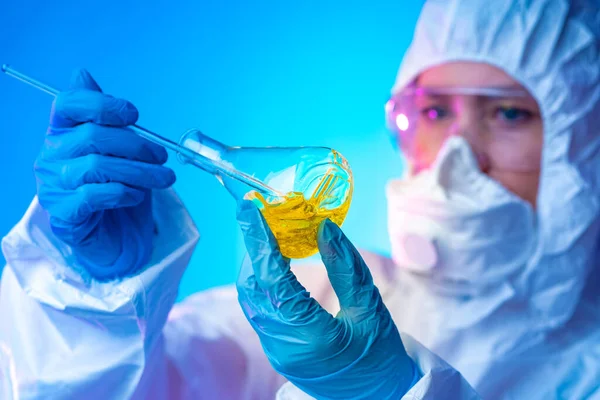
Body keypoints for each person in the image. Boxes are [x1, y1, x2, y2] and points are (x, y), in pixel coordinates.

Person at [1, 0, 599, 398]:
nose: (457, 155)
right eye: (434, 111)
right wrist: (94, 292)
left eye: (510, 113)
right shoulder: (300, 308)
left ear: (586, 136)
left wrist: (397, 390)